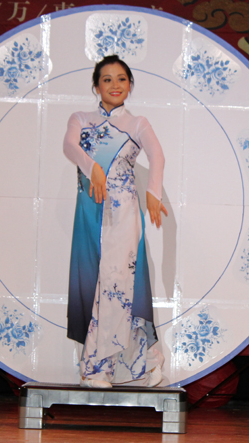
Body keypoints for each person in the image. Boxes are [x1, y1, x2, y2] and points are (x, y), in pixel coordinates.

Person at [63, 55, 168, 388]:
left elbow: (158, 155)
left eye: (121, 79)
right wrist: (90, 166)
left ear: (130, 85)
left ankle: (101, 367)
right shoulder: (80, 118)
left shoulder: (138, 124)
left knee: (118, 285)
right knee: (94, 282)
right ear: (96, 86)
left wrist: (153, 190)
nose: (115, 85)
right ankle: (138, 361)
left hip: (123, 213)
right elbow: (68, 146)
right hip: (90, 210)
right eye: (107, 79)